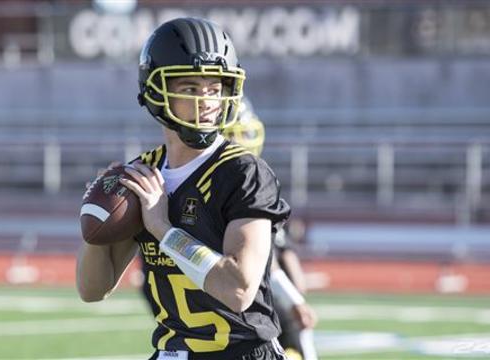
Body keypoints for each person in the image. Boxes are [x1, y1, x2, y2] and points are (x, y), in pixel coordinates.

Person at [76, 17, 290, 359]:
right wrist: (97, 219)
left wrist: (162, 228)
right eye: (190, 88)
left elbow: (238, 289)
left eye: (214, 88)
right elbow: (92, 289)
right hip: (172, 352)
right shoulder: (144, 174)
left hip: (240, 352)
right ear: (158, 92)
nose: (206, 101)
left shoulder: (242, 172)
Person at [223, 99, 318, 360]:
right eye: (234, 135)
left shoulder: (252, 182)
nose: (242, 141)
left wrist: (295, 297)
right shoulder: (240, 186)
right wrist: (294, 298)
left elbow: (281, 255)